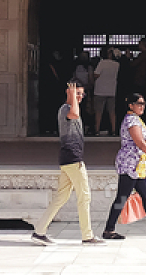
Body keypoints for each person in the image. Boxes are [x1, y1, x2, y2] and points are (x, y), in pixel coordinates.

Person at [31, 81, 102, 246]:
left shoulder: (71, 108)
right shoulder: (65, 109)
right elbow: (74, 114)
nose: (80, 97)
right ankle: (87, 235)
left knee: (60, 198)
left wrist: (74, 96)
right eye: (77, 93)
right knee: (84, 196)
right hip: (72, 158)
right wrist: (72, 97)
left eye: (82, 94)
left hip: (68, 159)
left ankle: (39, 231)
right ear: (68, 92)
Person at [102, 92, 146, 240]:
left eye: (143, 104)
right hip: (130, 165)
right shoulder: (132, 121)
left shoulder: (136, 119)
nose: (142, 107)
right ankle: (109, 229)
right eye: (139, 104)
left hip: (137, 166)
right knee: (122, 198)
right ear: (131, 105)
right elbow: (140, 143)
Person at [91, 47, 119, 136]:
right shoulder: (117, 64)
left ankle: (97, 130)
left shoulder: (102, 63)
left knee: (98, 111)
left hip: (100, 90)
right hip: (112, 90)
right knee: (112, 111)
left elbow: (96, 74)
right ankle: (114, 130)